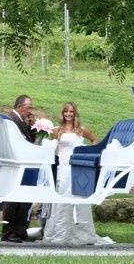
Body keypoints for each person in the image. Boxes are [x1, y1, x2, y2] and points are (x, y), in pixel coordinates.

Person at [43, 102, 114, 245]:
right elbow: (52, 148)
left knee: (79, 195)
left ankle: (83, 232)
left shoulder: (81, 130)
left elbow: (94, 140)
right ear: (62, 113)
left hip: (77, 165)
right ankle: (60, 232)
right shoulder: (57, 130)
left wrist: (89, 155)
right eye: (66, 112)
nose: (68, 114)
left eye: (71, 112)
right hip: (63, 166)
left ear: (75, 113)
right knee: (62, 194)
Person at [1, 95, 37, 243]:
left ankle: (20, 230)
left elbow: (28, 139)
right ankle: (9, 232)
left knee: (26, 197)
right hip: (17, 162)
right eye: (29, 108)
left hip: (22, 161)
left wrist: (33, 127)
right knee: (14, 198)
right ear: (20, 106)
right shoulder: (12, 120)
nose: (30, 111)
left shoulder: (19, 120)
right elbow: (21, 142)